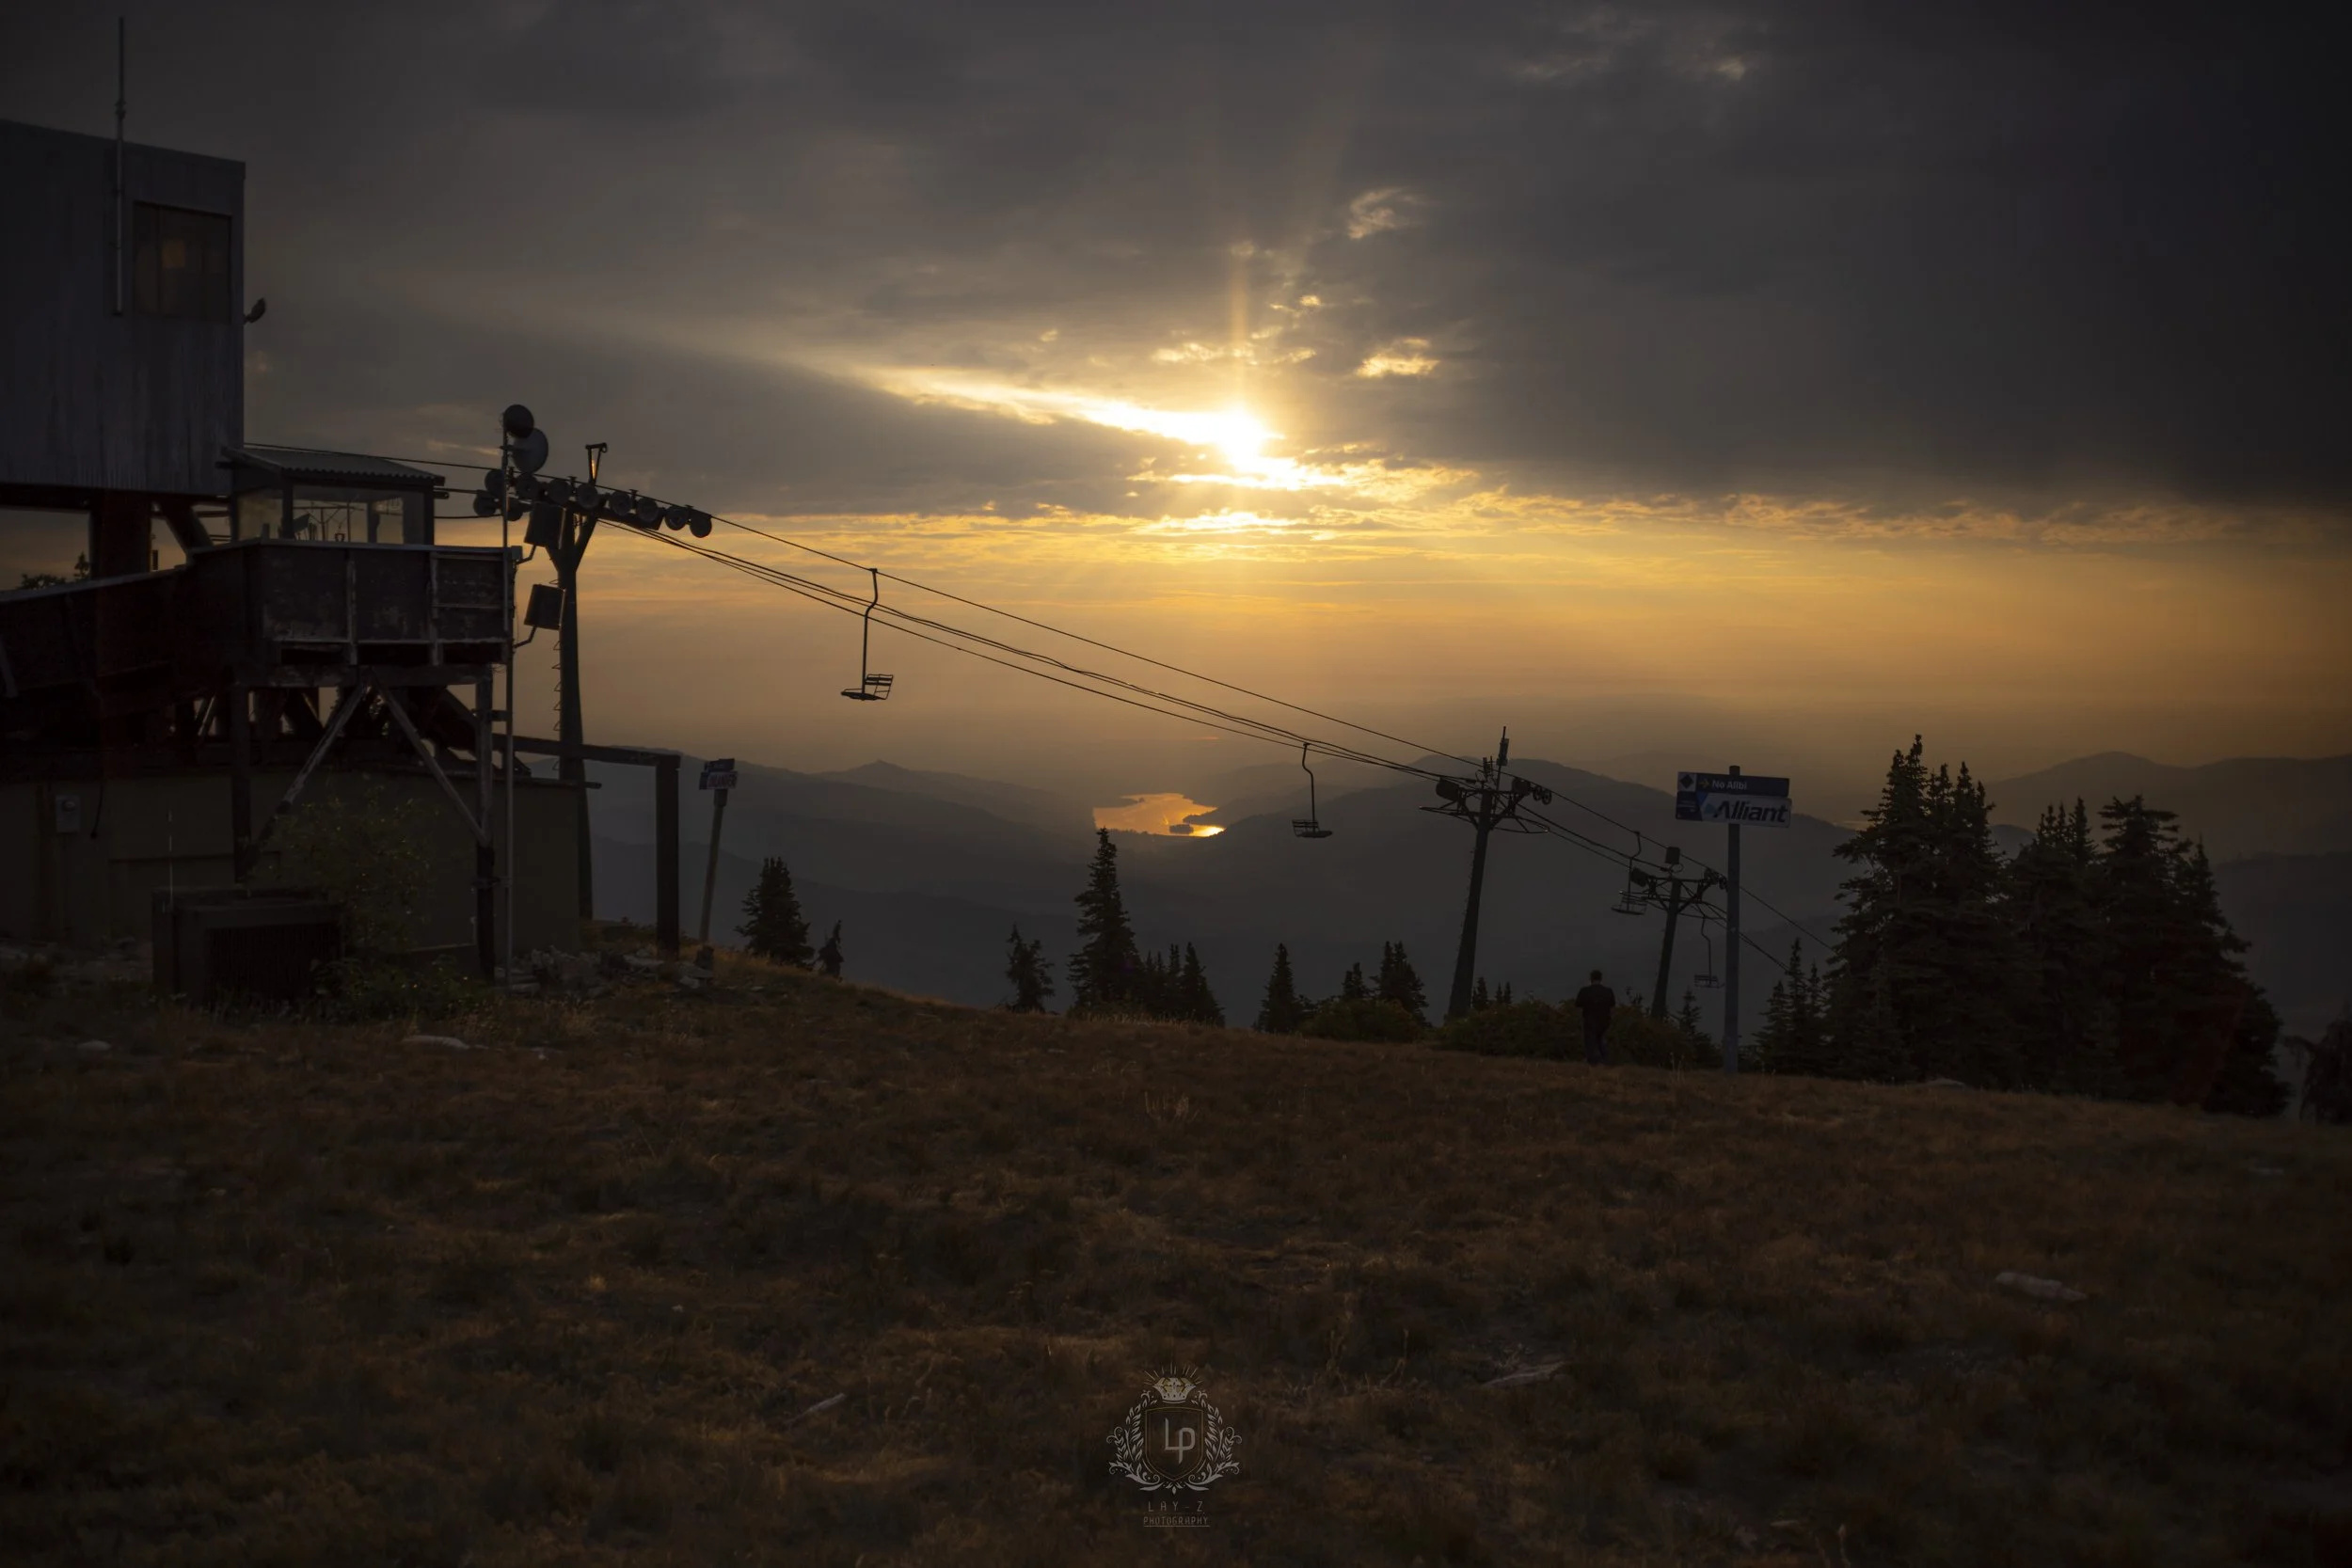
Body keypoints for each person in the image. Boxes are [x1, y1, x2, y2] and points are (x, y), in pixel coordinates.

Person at [1573, 969, 1616, 1065]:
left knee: (1590, 1044)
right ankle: (1605, 1061)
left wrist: (1579, 1020)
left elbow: (1578, 1007)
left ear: (1591, 979)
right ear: (1601, 979)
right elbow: (1612, 1008)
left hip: (1589, 1022)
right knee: (1602, 1042)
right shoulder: (1608, 992)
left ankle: (1594, 1063)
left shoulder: (1585, 991)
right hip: (1605, 1022)